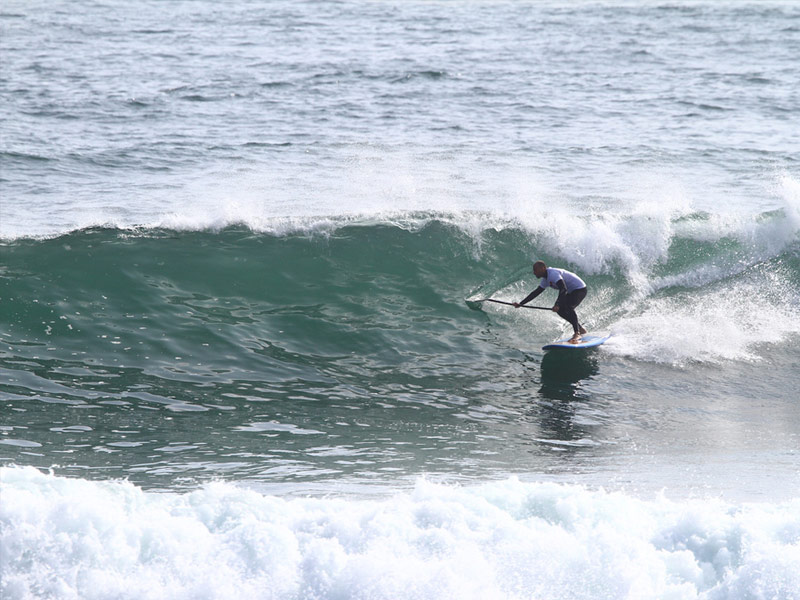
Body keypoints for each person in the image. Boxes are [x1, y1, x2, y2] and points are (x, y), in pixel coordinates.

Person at [514, 261, 588, 343]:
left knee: (568, 306)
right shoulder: (545, 280)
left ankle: (577, 333)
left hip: (580, 289)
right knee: (560, 310)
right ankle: (580, 329)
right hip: (571, 291)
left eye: (535, 270)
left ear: (543, 268)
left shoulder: (553, 274)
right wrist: (521, 303)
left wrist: (557, 304)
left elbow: (563, 289)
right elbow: (536, 293)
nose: (534, 272)